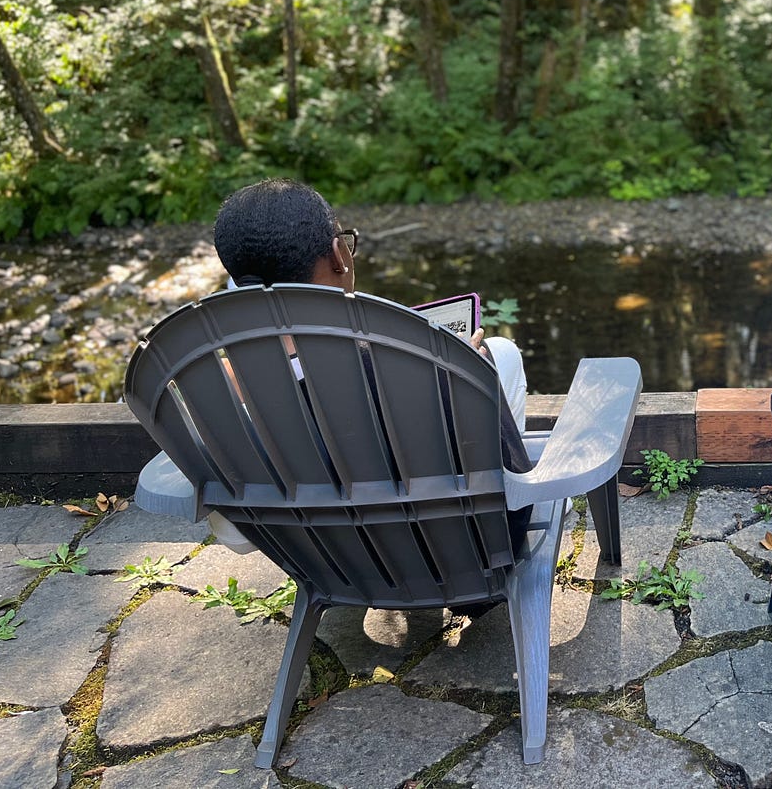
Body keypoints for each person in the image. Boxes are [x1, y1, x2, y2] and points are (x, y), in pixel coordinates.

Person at [208, 178, 535, 548]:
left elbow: (232, 534)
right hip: (465, 560)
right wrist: (465, 372)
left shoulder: (211, 379)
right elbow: (513, 495)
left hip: (325, 558)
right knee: (500, 354)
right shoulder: (414, 360)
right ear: (338, 255)